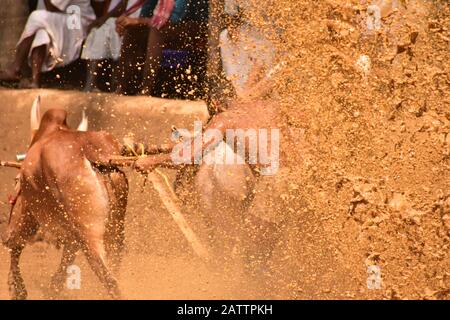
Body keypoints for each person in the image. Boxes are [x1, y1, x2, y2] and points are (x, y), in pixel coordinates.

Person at [0, 0, 96, 88]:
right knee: (42, 32)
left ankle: (15, 67)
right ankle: (35, 81)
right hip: (58, 18)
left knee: (36, 16)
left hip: (77, 22)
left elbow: (51, 7)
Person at [114, 0, 191, 95]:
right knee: (133, 29)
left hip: (190, 26)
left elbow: (175, 18)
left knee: (157, 30)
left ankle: (146, 88)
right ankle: (122, 86)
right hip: (163, 23)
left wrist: (139, 21)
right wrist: (128, 22)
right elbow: (146, 13)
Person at [81, 0, 144, 92]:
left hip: (141, 21)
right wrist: (104, 19)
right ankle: (91, 84)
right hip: (124, 19)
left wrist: (104, 19)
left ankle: (118, 86)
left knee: (112, 27)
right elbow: (123, 5)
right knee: (99, 31)